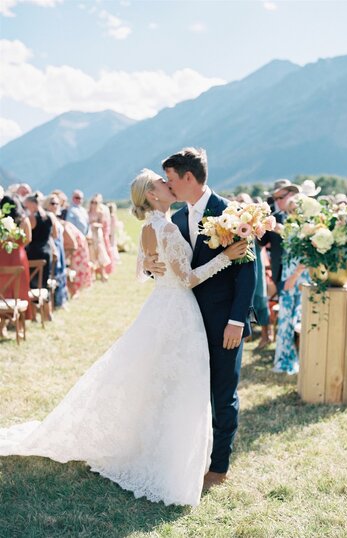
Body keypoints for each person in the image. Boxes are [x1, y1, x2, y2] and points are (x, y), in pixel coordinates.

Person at [0, 168, 247, 507]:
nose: (168, 184)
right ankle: (168, 458)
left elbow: (149, 266)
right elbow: (188, 278)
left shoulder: (149, 227)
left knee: (160, 382)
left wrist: (149, 265)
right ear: (152, 195)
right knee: (177, 385)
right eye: (162, 183)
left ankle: (160, 448)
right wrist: (224, 257)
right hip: (178, 311)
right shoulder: (169, 226)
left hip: (163, 307)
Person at [145, 148, 256, 489]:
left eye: (172, 179)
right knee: (189, 392)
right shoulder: (176, 219)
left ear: (188, 178)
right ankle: (188, 456)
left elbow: (248, 271)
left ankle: (218, 468)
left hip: (224, 323)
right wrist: (152, 268)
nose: (169, 185)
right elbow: (175, 268)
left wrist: (237, 321)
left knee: (223, 394)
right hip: (186, 322)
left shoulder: (230, 213)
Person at [272, 195, 310, 374]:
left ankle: (304, 359)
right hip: (288, 274)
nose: (292, 213)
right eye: (290, 210)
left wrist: (294, 277)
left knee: (301, 320)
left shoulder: (308, 228)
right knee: (286, 319)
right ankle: (285, 359)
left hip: (301, 277)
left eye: (296, 209)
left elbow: (307, 254)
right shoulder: (289, 226)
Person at [258, 179, 300, 294]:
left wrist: (283, 231)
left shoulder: (302, 216)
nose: (278, 202)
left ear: (291, 194)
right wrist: (258, 228)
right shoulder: (273, 217)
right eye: (275, 199)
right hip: (279, 271)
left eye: (280, 198)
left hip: (299, 272)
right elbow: (262, 242)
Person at [0, 194, 33, 332]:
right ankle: (18, 324)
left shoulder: (1, 221)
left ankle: (2, 326)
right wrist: (18, 245)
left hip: (2, 256)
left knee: (3, 289)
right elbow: (28, 239)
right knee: (19, 289)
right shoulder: (24, 220)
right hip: (19, 257)